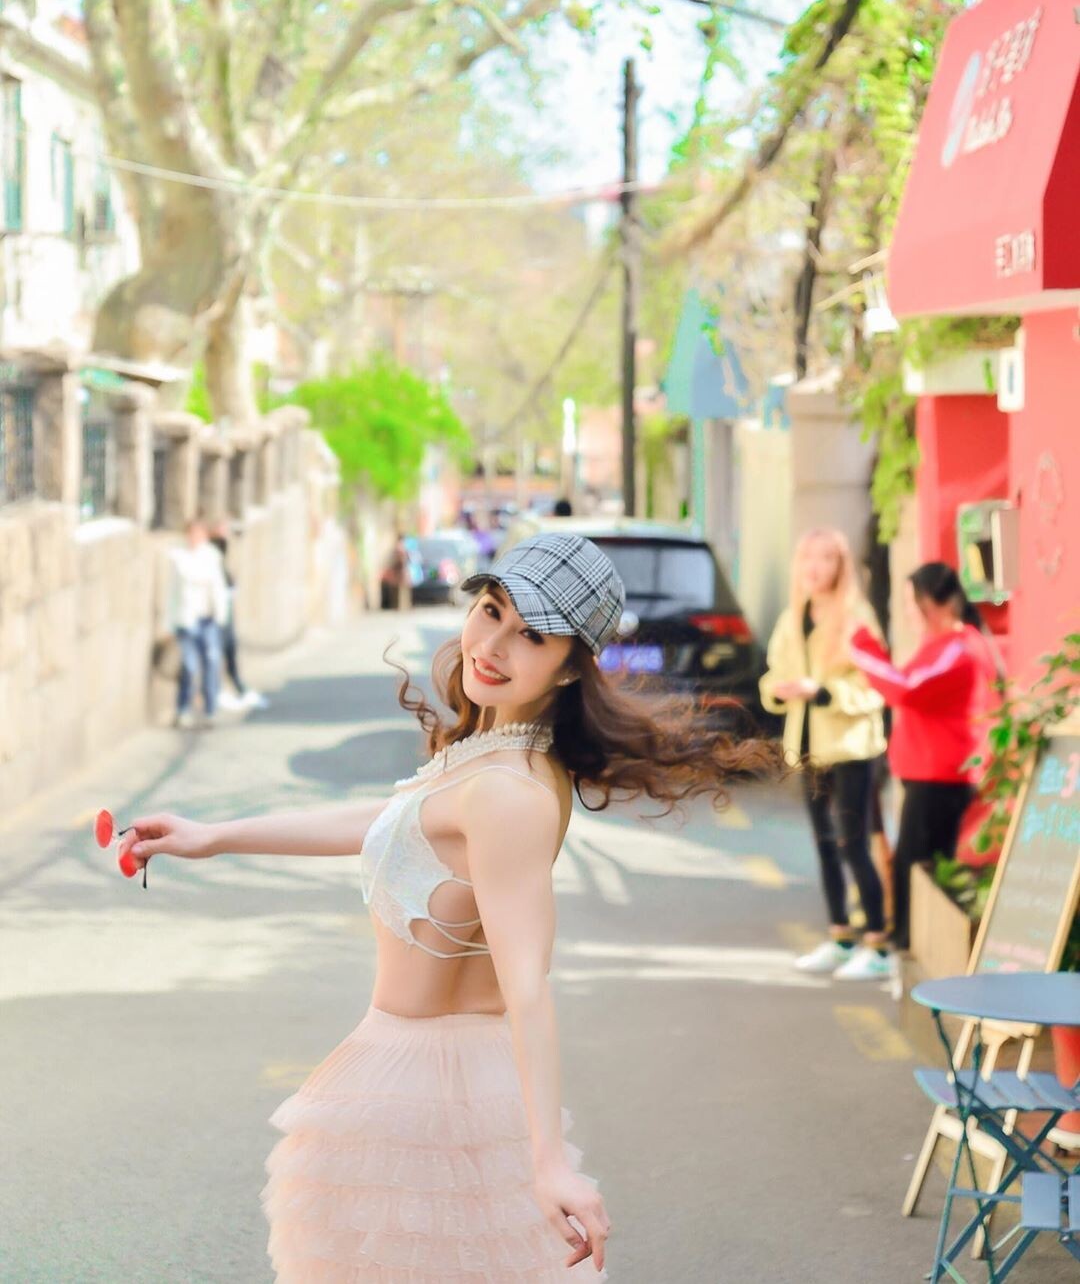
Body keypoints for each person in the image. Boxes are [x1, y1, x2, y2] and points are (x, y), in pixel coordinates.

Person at [118, 532, 780, 1282]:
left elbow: (528, 984)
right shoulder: (491, 755)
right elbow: (396, 822)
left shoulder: (507, 790)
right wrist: (214, 837)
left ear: (571, 667)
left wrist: (549, 1164)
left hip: (426, 1095)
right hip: (424, 1081)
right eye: (491, 610)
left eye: (531, 635)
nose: (492, 645)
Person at [848, 561, 1001, 952]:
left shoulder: (959, 648)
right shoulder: (945, 645)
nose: (909, 612)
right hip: (930, 775)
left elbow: (905, 688)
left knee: (917, 871)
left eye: (913, 603)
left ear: (937, 603)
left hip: (941, 778)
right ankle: (908, 947)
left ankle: (909, 948)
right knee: (916, 867)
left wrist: (861, 649)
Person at [759, 528, 890, 981]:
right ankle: (840, 937)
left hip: (851, 747)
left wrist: (823, 692)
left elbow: (875, 685)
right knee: (824, 846)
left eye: (827, 558)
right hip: (808, 747)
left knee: (854, 844)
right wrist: (778, 690)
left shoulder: (857, 618)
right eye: (809, 558)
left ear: (840, 566)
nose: (816, 568)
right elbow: (773, 674)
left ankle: (878, 944)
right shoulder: (792, 617)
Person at [165, 515, 229, 729]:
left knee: (212, 662)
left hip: (208, 619)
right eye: (191, 533)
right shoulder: (179, 558)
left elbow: (219, 589)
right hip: (186, 620)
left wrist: (221, 616)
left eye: (198, 534)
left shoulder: (211, 557)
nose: (194, 537)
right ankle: (183, 708)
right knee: (190, 666)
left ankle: (210, 709)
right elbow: (172, 593)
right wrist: (169, 623)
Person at [208, 519, 268, 712]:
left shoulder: (222, 553)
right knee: (215, 656)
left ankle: (238, 687)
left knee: (230, 651)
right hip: (213, 615)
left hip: (225, 611)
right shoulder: (209, 552)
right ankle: (217, 692)